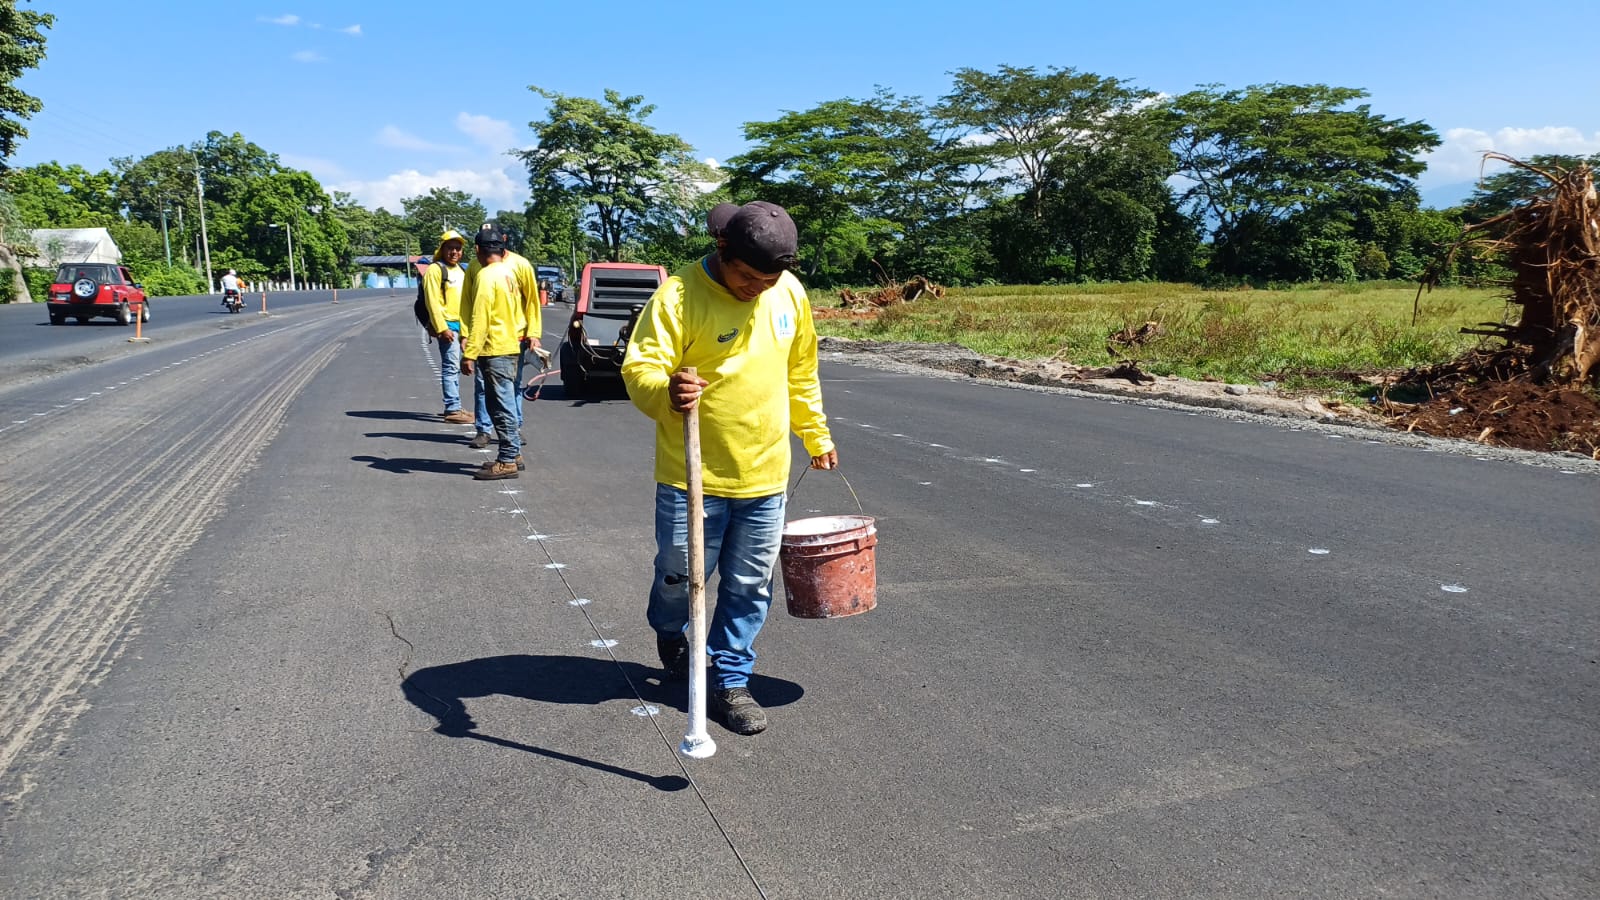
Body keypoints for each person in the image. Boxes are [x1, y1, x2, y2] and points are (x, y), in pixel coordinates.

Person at [621, 201, 837, 736]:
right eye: (747, 277)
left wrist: (816, 433)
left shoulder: (788, 293)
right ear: (722, 251)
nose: (756, 289)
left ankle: (730, 680)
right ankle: (669, 630)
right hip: (691, 476)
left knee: (748, 585)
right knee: (679, 575)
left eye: (768, 280)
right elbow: (640, 368)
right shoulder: (678, 296)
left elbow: (801, 370)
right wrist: (667, 391)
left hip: (765, 473)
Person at [459, 225, 537, 480]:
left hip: (495, 348)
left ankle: (507, 460)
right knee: (505, 403)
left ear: (478, 250)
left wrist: (469, 353)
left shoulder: (485, 275)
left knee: (500, 406)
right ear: (503, 249)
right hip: (511, 343)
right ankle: (513, 454)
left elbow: (480, 318)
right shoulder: (508, 273)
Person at [422, 230, 472, 424]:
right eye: (450, 248)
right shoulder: (436, 270)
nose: (454, 252)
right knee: (451, 367)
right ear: (442, 249)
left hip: (462, 326)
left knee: (457, 367)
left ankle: (455, 405)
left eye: (458, 248)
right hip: (448, 326)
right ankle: (452, 409)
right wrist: (442, 328)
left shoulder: (461, 270)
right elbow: (432, 301)